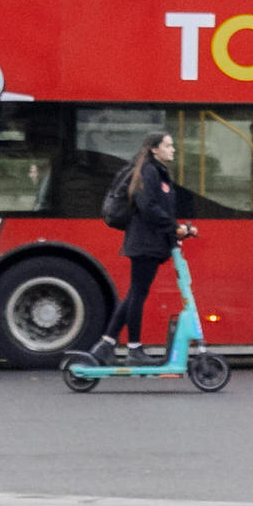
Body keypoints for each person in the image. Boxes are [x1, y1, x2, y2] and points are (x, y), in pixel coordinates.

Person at [89, 131, 191, 364]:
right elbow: (148, 206)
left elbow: (158, 207)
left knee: (136, 293)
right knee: (137, 294)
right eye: (168, 145)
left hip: (150, 241)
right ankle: (134, 349)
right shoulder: (149, 170)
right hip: (145, 242)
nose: (173, 149)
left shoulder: (156, 171)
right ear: (154, 149)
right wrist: (174, 227)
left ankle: (106, 344)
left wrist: (180, 228)